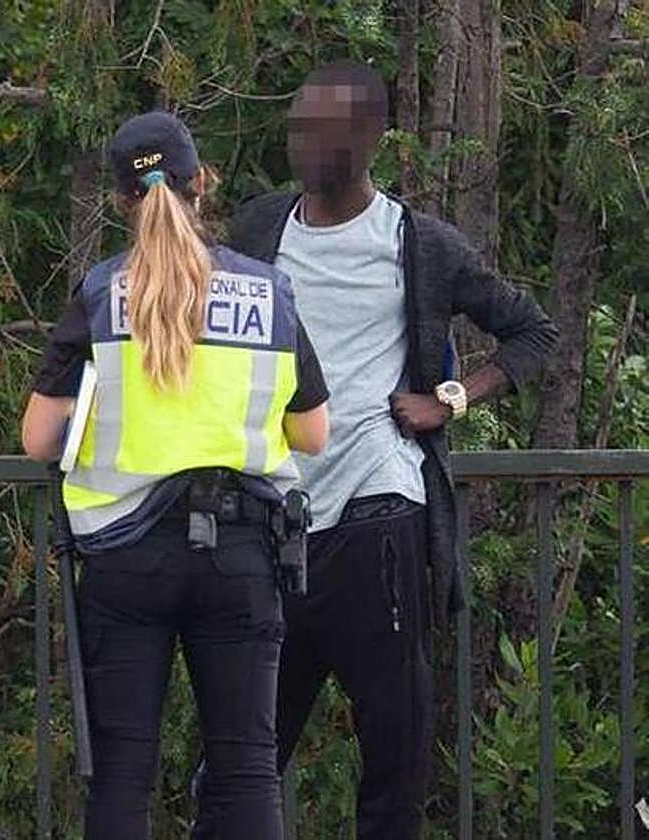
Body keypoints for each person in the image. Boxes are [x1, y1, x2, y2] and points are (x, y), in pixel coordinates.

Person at [196, 61, 558, 838]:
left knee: (393, 760)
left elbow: (533, 331)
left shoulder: (418, 243)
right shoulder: (260, 229)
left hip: (378, 523)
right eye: (296, 125)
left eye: (319, 128)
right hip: (274, 527)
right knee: (240, 759)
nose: (301, 142)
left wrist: (451, 399)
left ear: (369, 138)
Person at [23, 111, 330, 840]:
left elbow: (38, 436)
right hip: (244, 552)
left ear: (124, 199)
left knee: (123, 772)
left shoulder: (100, 293)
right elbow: (313, 431)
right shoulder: (267, 291)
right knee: (249, 766)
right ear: (202, 183)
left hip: (125, 557)